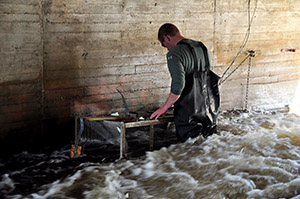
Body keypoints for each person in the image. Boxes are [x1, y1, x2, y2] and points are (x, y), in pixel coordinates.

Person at [150, 23, 218, 142]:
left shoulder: (174, 53)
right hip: (209, 109)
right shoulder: (202, 47)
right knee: (208, 145)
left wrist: (164, 108)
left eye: (163, 44)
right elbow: (208, 76)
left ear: (166, 38)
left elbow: (178, 85)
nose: (166, 48)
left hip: (189, 112)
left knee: (190, 146)